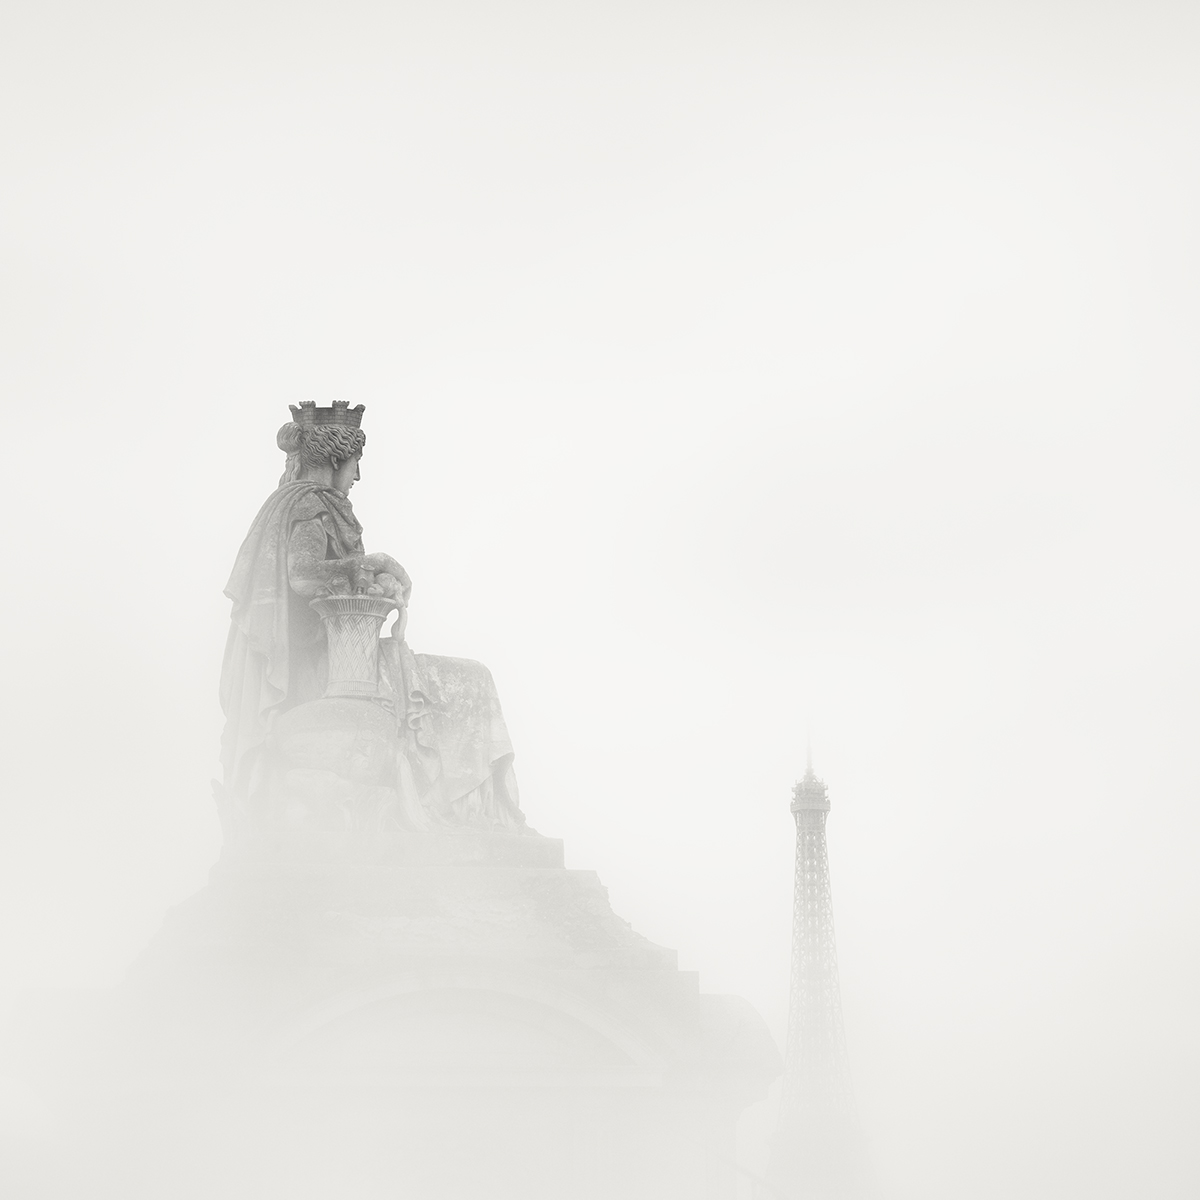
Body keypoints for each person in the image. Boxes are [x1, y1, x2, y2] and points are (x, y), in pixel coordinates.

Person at [219, 401, 524, 832]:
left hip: (340, 652)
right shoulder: (312, 505)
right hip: (328, 663)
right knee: (474, 681)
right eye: (357, 463)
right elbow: (302, 575)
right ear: (338, 458)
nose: (358, 476)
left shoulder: (302, 503)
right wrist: (368, 564)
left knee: (472, 678)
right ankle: (471, 813)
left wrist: (369, 576)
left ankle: (477, 812)